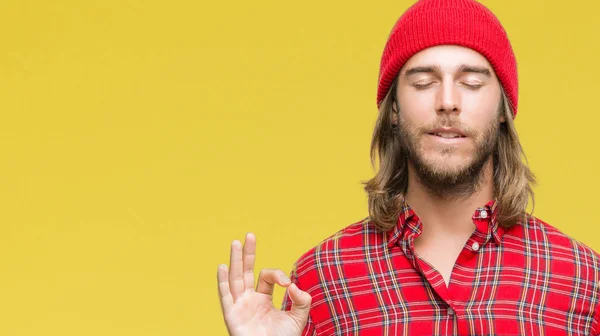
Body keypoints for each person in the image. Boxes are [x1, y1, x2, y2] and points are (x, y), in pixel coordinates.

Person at [216, 0, 600, 334]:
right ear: (394, 109)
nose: (447, 102)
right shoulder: (322, 281)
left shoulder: (585, 280)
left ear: (502, 110)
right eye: (422, 82)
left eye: (471, 82)